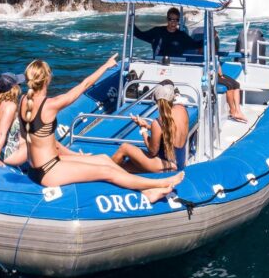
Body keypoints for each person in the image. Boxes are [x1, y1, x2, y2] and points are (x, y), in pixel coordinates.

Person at [21, 55, 183, 202]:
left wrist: (73, 155)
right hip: (49, 171)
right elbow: (85, 84)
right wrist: (106, 66)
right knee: (108, 172)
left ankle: (145, 190)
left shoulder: (24, 101)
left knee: (104, 159)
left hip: (38, 167)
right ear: (47, 79)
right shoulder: (51, 105)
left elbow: (44, 141)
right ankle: (158, 184)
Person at [112, 81, 190, 173]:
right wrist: (149, 127)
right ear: (173, 97)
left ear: (156, 100)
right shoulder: (182, 110)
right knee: (126, 166)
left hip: (167, 167)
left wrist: (143, 129)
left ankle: (106, 172)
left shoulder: (157, 123)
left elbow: (152, 151)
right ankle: (113, 172)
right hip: (179, 164)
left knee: (124, 148)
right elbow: (171, 130)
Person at [132, 7, 203, 59]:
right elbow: (139, 34)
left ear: (178, 21)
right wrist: (131, 23)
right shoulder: (157, 32)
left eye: (176, 20)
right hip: (157, 65)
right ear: (167, 19)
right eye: (171, 19)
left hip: (177, 67)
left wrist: (212, 37)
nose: (173, 22)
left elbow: (197, 44)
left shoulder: (182, 36)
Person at [0, 72, 28, 167]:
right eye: (18, 85)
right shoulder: (10, 106)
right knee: (40, 142)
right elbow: (1, 133)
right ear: (14, 89)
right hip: (10, 154)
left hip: (1, 149)